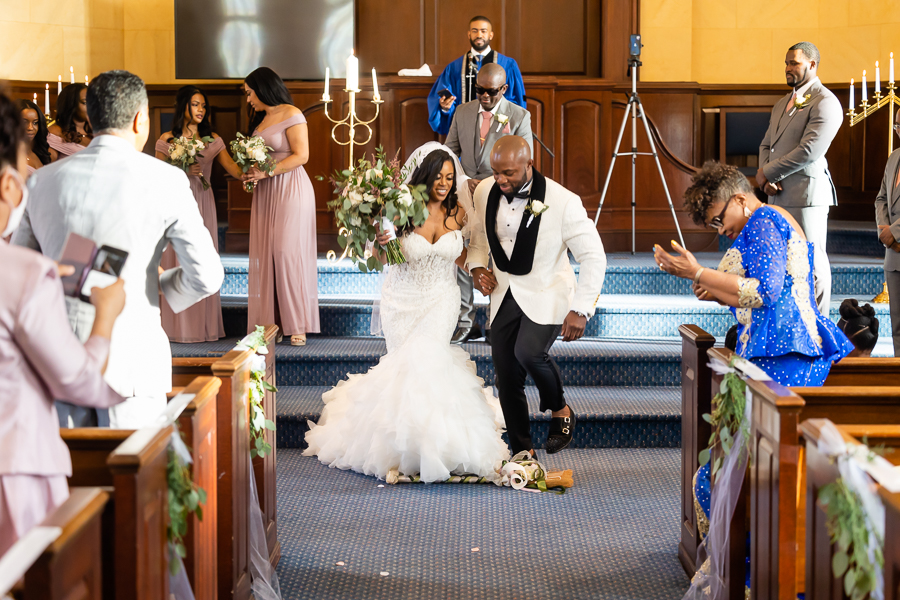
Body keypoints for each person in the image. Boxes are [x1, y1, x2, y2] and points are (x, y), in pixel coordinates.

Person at [14, 70, 224, 429]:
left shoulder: (42, 181)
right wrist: (159, 283)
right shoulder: (166, 179)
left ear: (92, 118)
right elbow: (206, 276)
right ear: (141, 118)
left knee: (75, 478)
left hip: (56, 357)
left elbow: (20, 272)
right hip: (133, 358)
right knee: (137, 477)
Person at [303, 146, 509, 482]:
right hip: (402, 299)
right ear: (425, 177)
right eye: (439, 177)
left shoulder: (458, 214)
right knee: (406, 370)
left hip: (442, 297)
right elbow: (386, 260)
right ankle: (403, 448)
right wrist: (381, 242)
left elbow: (456, 255)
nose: (444, 183)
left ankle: (438, 448)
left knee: (429, 360)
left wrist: (475, 271)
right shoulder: (402, 210)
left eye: (449, 177)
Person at [0, 90, 126, 556]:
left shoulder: (28, 273)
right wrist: (106, 318)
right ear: (11, 187)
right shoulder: (23, 275)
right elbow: (79, 379)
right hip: (14, 472)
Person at [468, 136, 607, 456]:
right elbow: (477, 237)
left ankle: (561, 411)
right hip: (504, 293)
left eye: (509, 173)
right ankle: (522, 451)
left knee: (528, 352)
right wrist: (477, 269)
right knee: (506, 374)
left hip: (548, 291)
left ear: (529, 165)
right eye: (495, 171)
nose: (500, 179)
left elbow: (594, 256)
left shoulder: (563, 201)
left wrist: (582, 309)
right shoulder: (486, 190)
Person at [655, 161, 853, 387]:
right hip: (783, 346)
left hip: (785, 348)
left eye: (719, 220)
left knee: (769, 422)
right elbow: (760, 294)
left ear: (739, 200)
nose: (720, 230)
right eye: (713, 226)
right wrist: (717, 292)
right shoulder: (768, 217)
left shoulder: (763, 220)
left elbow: (766, 292)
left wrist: (699, 273)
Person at [444, 63, 533, 344]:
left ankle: (498, 321)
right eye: (479, 90)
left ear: (504, 89)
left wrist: (492, 183)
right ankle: (466, 321)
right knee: (463, 251)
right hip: (465, 193)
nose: (484, 96)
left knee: (497, 255)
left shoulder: (519, 116)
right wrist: (461, 179)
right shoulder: (462, 111)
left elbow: (525, 163)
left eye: (491, 92)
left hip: (501, 194)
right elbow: (448, 152)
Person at [757, 41, 841, 314]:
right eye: (786, 63)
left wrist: (768, 171)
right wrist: (765, 179)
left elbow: (809, 150)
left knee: (813, 265)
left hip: (806, 196)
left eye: (794, 62)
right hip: (776, 194)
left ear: (812, 64)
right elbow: (766, 145)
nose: (788, 68)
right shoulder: (782, 103)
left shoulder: (826, 102)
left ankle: (818, 330)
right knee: (781, 264)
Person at [155, 85, 243, 343]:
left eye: (204, 105)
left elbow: (234, 170)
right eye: (195, 104)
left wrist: (256, 167)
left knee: (200, 258)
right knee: (174, 258)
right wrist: (179, 167)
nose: (201, 110)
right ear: (183, 105)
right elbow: (156, 174)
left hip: (202, 201)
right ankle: (174, 328)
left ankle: (201, 327)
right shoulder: (167, 139)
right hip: (174, 200)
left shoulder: (213, 139)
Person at [241, 67, 319, 346]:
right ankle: (271, 324)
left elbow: (302, 155)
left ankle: (297, 323)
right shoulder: (261, 121)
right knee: (268, 254)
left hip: (291, 189)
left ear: (263, 88)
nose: (248, 99)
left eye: (249, 93)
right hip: (266, 192)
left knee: (287, 252)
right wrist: (251, 174)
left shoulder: (292, 113)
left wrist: (267, 172)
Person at [426, 15, 526, 135]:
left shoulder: (507, 65)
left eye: (483, 31)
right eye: (475, 31)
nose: (479, 35)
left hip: (496, 132)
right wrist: (445, 108)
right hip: (465, 131)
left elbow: (517, 100)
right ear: (469, 34)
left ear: (491, 35)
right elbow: (442, 100)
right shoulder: (455, 68)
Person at [875, 108, 900, 356]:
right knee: (897, 326)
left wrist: (895, 231)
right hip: (893, 255)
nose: (899, 131)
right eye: (897, 126)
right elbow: (881, 199)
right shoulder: (894, 157)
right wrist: (884, 230)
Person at [48, 83, 92, 160]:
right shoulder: (55, 133)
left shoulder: (96, 133)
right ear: (71, 104)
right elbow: (47, 168)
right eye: (85, 102)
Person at [18, 99, 53, 174]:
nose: (30, 128)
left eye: (35, 123)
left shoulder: (39, 152)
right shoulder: (7, 156)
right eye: (24, 122)